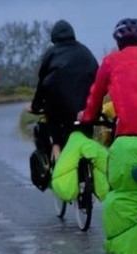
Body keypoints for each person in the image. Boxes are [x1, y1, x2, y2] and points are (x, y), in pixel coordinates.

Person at [28, 19, 99, 160]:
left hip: (59, 113)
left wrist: (35, 106)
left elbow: (42, 84)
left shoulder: (51, 53)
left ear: (53, 37)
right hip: (85, 111)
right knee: (86, 136)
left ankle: (56, 154)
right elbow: (98, 79)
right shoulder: (85, 52)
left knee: (53, 131)